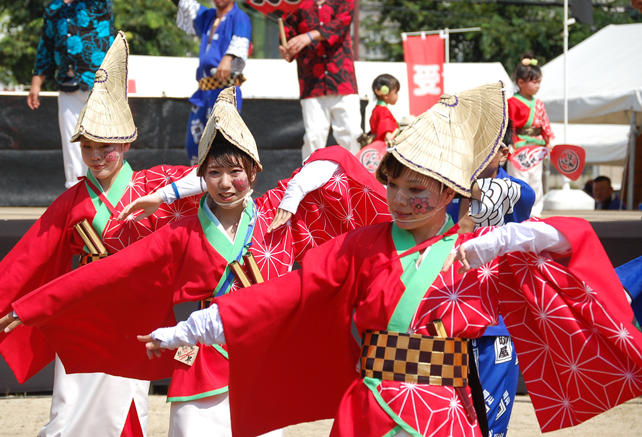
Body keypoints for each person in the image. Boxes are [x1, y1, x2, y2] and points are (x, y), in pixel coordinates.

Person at [139, 83, 642, 437]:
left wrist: (517, 237)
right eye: (394, 185)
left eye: (416, 189)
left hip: (444, 411)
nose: (399, 199)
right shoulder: (363, 244)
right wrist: (197, 328)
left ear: (450, 192)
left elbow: (574, 242)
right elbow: (286, 291)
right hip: (368, 407)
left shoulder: (481, 252)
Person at [0, 87, 391, 437]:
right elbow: (107, 272)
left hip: (261, 357)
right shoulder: (183, 232)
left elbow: (334, 158)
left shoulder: (277, 213)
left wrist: (295, 191)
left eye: (235, 171)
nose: (224, 182)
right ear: (202, 177)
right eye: (213, 173)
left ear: (254, 172)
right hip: (203, 358)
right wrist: (29, 307)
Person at [0, 33, 200, 437]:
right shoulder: (72, 201)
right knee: (70, 409)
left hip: (133, 311)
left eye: (107, 146)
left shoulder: (156, 187)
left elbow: (213, 185)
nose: (97, 156)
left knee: (125, 406)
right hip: (80, 310)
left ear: (127, 142)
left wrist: (164, 196)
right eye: (88, 147)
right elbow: (31, 254)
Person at [447, 122, 536, 437]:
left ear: (505, 152)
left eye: (486, 147)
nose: (475, 154)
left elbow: (497, 195)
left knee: (490, 422)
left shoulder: (518, 191)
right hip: (446, 318)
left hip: (497, 319)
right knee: (443, 415)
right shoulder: (443, 192)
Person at [152, 0, 252, 165]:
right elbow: (189, 7)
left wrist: (228, 58)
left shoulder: (240, 17)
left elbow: (241, 40)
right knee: (195, 145)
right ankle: (199, 192)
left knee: (221, 145)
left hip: (225, 91)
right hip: (203, 91)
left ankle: (221, 191)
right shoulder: (208, 17)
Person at [28, 0, 114, 188]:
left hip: (101, 84)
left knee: (107, 141)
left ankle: (112, 195)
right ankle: (76, 194)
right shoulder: (53, 8)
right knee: (73, 143)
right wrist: (36, 82)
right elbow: (46, 47)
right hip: (67, 86)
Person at [280, 0, 362, 159]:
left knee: (352, 135)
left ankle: (358, 184)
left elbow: (341, 24)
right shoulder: (293, 3)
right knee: (313, 138)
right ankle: (310, 186)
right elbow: (288, 38)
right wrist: (288, 50)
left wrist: (308, 36)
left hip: (343, 80)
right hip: (311, 83)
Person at [506, 52, 554, 217]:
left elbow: (544, 124)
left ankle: (535, 212)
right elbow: (509, 125)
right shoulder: (511, 103)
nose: (537, 85)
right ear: (521, 82)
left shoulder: (538, 103)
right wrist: (510, 145)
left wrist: (548, 141)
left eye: (539, 82)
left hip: (536, 147)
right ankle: (518, 212)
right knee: (519, 180)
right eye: (534, 82)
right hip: (518, 147)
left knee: (535, 180)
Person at [368, 74, 401, 144]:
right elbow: (387, 130)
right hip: (384, 147)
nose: (397, 96)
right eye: (396, 92)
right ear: (385, 93)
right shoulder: (384, 111)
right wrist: (388, 134)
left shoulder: (376, 109)